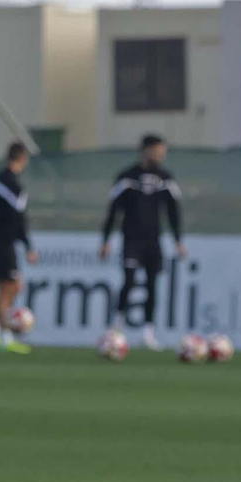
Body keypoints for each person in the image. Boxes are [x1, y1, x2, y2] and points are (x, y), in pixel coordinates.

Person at [100, 134, 184, 351]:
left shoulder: (165, 178)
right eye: (158, 150)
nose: (161, 155)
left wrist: (178, 240)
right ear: (146, 150)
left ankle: (148, 332)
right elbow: (113, 210)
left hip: (153, 241)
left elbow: (173, 211)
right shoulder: (127, 177)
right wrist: (106, 239)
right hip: (131, 239)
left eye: (163, 151)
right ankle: (116, 328)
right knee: (128, 281)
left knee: (152, 285)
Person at [0, 142, 38, 355]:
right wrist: (28, 246)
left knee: (7, 287)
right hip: (6, 243)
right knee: (11, 287)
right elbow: (19, 219)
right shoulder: (15, 186)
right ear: (22, 159)